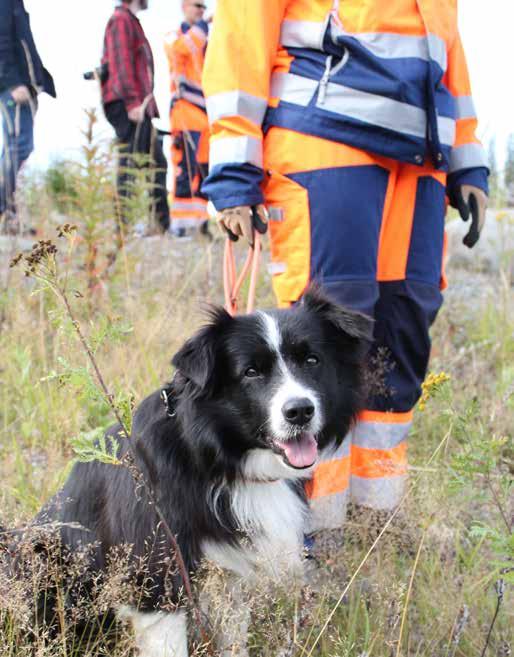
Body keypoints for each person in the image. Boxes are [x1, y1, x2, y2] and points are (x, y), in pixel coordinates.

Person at [202, 1, 489, 530]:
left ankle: (374, 519)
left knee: (401, 335)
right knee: (322, 339)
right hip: (324, 138)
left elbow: (447, 52)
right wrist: (234, 166)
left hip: (420, 158)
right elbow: (243, 30)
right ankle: (308, 526)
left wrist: (468, 159)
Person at [101, 0, 170, 235]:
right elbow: (122, 65)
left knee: (152, 162)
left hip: (138, 105)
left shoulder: (130, 21)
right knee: (131, 163)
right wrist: (132, 102)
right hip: (130, 105)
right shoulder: (121, 20)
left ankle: (157, 226)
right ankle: (124, 227)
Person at [0, 0, 55, 234]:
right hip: (14, 87)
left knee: (17, 147)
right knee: (18, 146)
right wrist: (13, 82)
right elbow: (1, 41)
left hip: (27, 86)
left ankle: (8, 215)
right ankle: (4, 212)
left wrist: (38, 82)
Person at [164, 1, 210, 236]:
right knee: (185, 165)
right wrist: (204, 27)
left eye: (204, 6)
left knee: (204, 170)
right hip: (184, 110)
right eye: (197, 5)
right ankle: (180, 225)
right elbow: (182, 49)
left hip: (206, 113)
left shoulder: (205, 40)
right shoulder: (176, 36)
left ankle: (200, 223)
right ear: (184, 6)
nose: (201, 9)